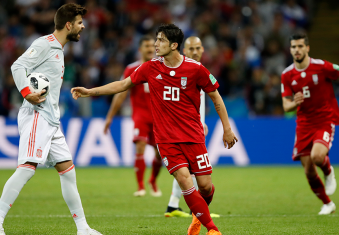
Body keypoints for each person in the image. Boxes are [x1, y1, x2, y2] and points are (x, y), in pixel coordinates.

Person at [72, 24, 238, 235]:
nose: (156, 44)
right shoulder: (151, 67)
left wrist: (227, 129)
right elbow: (122, 85)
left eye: (160, 40)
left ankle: (198, 215)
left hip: (193, 136)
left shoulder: (196, 69)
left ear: (174, 45)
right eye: (156, 40)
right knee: (185, 179)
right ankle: (212, 229)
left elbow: (216, 98)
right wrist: (89, 91)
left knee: (205, 186)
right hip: (167, 139)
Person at [0, 4, 101, 235]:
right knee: (27, 168)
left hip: (51, 118)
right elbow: (18, 66)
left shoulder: (58, 48)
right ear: (68, 25)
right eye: (79, 22)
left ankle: (83, 228)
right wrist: (27, 92)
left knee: (68, 171)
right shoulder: (44, 44)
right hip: (37, 115)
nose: (82, 26)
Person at [281, 34, 339, 215]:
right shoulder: (287, 74)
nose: (296, 50)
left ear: (307, 48)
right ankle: (328, 203)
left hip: (324, 119)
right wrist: (295, 103)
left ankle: (329, 171)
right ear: (290, 49)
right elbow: (286, 106)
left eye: (300, 46)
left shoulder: (321, 67)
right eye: (293, 47)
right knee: (309, 170)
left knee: (317, 156)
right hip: (304, 124)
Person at [164, 37, 220, 231]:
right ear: (183, 50)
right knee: (185, 173)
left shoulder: (198, 70)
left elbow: (201, 100)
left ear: (203, 49)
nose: (195, 52)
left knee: (193, 176)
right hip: (180, 130)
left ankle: (178, 206)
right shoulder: (183, 70)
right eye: (191, 49)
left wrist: (201, 121)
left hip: (195, 127)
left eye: (198, 48)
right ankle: (190, 211)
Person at [103, 36, 163, 197]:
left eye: (152, 45)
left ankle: (153, 181)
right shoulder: (132, 69)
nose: (150, 48)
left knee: (160, 154)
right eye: (146, 46)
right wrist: (110, 117)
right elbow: (121, 94)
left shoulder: (162, 67)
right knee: (140, 147)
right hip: (140, 116)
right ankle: (141, 186)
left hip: (159, 118)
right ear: (140, 49)